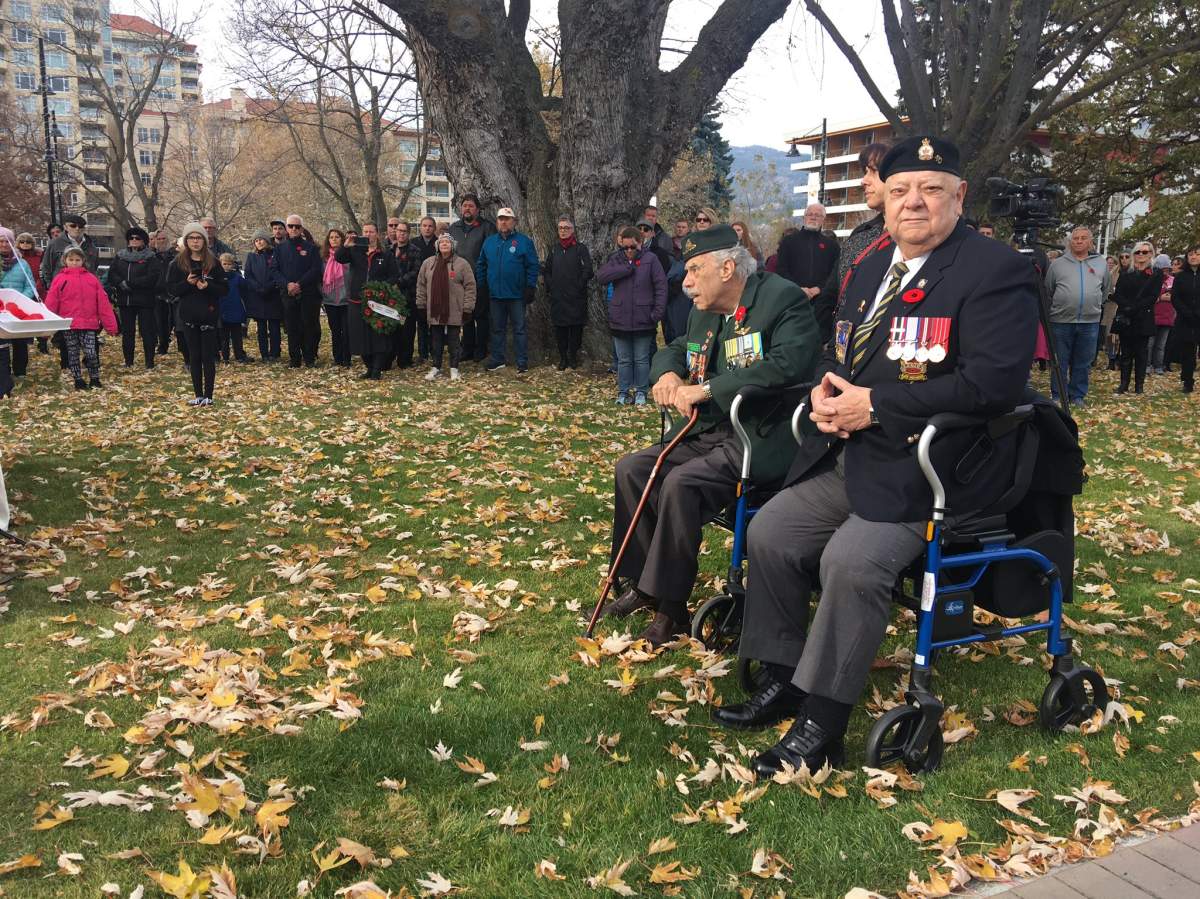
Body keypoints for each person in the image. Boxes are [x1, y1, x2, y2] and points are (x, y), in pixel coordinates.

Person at [713, 136, 1038, 775]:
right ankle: (785, 678)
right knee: (772, 530)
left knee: (851, 562)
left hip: (936, 466)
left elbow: (994, 384)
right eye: (899, 191)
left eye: (930, 189)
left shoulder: (995, 268)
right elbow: (844, 353)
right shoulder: (868, 265)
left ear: (958, 197)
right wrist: (829, 390)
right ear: (884, 202)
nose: (914, 202)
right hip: (855, 451)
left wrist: (878, 406)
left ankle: (821, 726)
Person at [604, 224, 820, 645]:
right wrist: (666, 372)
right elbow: (677, 345)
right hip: (708, 430)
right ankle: (640, 584)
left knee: (682, 484)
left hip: (761, 436)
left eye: (693, 270)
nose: (685, 283)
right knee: (631, 468)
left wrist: (706, 389)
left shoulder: (782, 299)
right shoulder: (706, 309)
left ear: (726, 268)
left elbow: (789, 364)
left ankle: (671, 609)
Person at [598, 226, 667, 404]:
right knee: (624, 360)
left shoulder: (651, 259)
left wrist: (657, 313)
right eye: (625, 247)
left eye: (632, 247)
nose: (629, 251)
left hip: (644, 318)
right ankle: (623, 392)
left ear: (640, 243)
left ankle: (641, 392)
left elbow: (661, 286)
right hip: (620, 319)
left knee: (642, 359)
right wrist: (625, 270)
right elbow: (601, 276)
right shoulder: (616, 259)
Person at [1043, 226, 1110, 405]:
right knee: (1060, 361)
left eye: (1083, 238)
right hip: (1061, 321)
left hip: (1089, 321)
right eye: (1075, 238)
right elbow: (1049, 290)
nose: (1079, 241)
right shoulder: (1057, 264)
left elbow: (1105, 290)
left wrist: (1093, 304)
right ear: (1070, 242)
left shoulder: (1100, 264)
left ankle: (1077, 395)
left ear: (1090, 242)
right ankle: (1058, 394)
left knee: (1083, 361)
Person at [826, 142, 891, 322]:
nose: (864, 181)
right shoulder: (860, 236)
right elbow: (833, 293)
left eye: (873, 172)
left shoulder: (916, 241)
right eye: (865, 172)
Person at [167, 222, 228, 406]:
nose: (195, 242)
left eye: (198, 238)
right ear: (186, 241)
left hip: (208, 314)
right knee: (194, 356)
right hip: (188, 316)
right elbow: (171, 289)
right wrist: (187, 283)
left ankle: (209, 395)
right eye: (191, 238)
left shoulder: (214, 262)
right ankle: (198, 394)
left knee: (208, 356)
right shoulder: (177, 263)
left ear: (204, 240)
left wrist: (208, 286)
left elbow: (224, 289)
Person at [45, 246, 119, 390]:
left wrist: (111, 325)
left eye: (77, 260)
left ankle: (95, 377)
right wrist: (47, 326)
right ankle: (78, 379)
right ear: (65, 261)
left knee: (91, 352)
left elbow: (103, 303)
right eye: (71, 259)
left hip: (89, 323)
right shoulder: (59, 279)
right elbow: (52, 302)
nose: (74, 262)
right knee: (72, 353)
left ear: (83, 261)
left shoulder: (91, 279)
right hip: (69, 324)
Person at [477, 207, 539, 373]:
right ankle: (498, 359)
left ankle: (522, 361)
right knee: (497, 329)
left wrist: (530, 286)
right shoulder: (489, 242)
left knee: (519, 329)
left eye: (507, 219)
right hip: (495, 295)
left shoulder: (524, 241)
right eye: (500, 219)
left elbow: (533, 265)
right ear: (497, 222)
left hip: (517, 295)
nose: (503, 222)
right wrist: (482, 286)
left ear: (514, 221)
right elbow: (481, 264)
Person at [336, 222, 398, 380]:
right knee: (359, 336)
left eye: (371, 231)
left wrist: (382, 289)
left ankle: (377, 369)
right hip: (357, 300)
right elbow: (339, 258)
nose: (368, 234)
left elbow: (393, 275)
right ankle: (369, 367)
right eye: (365, 231)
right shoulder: (355, 250)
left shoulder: (386, 254)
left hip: (378, 302)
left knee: (377, 336)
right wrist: (346, 246)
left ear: (377, 234)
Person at [774, 202, 840, 340]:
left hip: (821, 306)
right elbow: (781, 270)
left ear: (823, 219)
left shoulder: (832, 246)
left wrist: (819, 289)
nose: (813, 217)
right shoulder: (789, 242)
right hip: (793, 302)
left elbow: (835, 273)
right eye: (810, 214)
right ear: (804, 217)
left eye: (818, 215)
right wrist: (798, 288)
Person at [416, 232, 476, 381]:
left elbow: (470, 286)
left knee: (454, 340)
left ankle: (454, 368)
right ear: (437, 245)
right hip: (435, 309)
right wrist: (421, 304)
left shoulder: (462, 264)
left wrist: (468, 307)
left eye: (447, 242)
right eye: (441, 242)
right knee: (435, 340)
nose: (444, 244)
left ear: (453, 246)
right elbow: (421, 285)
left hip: (454, 309)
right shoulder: (428, 263)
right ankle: (436, 367)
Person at [105, 226, 162, 369]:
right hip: (125, 300)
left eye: (138, 238)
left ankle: (149, 362)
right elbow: (112, 274)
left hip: (144, 300)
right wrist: (120, 283)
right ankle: (128, 361)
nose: (134, 240)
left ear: (144, 241)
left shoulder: (151, 257)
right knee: (127, 332)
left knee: (147, 332)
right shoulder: (120, 256)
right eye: (131, 238)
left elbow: (153, 277)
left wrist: (132, 284)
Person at [450, 194, 497, 363]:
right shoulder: (453, 228)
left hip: (480, 279)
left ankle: (481, 349)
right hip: (459, 280)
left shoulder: (487, 227)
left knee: (481, 316)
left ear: (477, 209)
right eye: (464, 206)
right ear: (460, 209)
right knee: (466, 316)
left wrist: (484, 276)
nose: (467, 209)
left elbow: (492, 253)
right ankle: (467, 349)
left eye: (470, 206)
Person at [1111, 240, 1162, 395]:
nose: (1141, 255)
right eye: (1138, 252)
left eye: (1144, 252)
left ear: (1151, 254)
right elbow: (1118, 293)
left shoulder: (1156, 273)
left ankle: (1139, 386)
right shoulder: (1127, 272)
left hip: (1143, 317)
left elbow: (1153, 296)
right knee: (1125, 353)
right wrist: (1127, 307)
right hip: (1126, 317)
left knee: (1141, 354)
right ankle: (1123, 384)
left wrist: (1134, 307)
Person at [543, 216, 593, 370]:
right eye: (560, 228)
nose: (563, 231)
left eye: (566, 228)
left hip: (576, 297)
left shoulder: (580, 248)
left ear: (572, 230)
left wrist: (579, 285)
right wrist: (551, 286)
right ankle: (563, 358)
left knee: (575, 329)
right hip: (558, 298)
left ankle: (573, 357)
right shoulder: (554, 249)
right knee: (560, 329)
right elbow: (547, 270)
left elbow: (588, 270)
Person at [273, 215, 322, 368]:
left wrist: (299, 284)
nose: (294, 229)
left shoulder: (311, 248)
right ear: (287, 228)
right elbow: (274, 270)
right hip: (288, 294)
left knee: (309, 325)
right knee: (291, 327)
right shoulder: (279, 249)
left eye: (297, 226)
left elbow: (315, 270)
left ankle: (309, 358)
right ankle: (295, 359)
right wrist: (287, 285)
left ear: (302, 229)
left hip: (308, 293)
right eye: (291, 226)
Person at [0, 227, 41, 397]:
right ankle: (4, 375)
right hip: (0, 307)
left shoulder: (22, 263)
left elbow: (29, 285)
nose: (4, 244)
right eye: (0, 241)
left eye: (6, 241)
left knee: (19, 341)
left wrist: (19, 300)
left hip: (18, 307)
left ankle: (19, 371)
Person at [386, 219, 422, 369]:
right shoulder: (388, 249)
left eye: (404, 231)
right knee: (392, 328)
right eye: (399, 230)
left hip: (407, 296)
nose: (401, 233)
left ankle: (405, 359)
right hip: (390, 297)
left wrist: (399, 282)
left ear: (409, 233)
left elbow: (415, 272)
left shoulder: (415, 250)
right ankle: (390, 356)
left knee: (407, 330)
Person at [243, 230, 283, 362]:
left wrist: (270, 286)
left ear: (266, 240)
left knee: (274, 327)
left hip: (273, 294)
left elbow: (278, 272)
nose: (258, 242)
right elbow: (248, 275)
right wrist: (258, 288)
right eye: (256, 240)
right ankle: (264, 354)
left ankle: (275, 353)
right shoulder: (251, 257)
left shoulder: (275, 254)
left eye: (261, 239)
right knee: (261, 328)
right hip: (257, 296)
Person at [320, 229, 352, 367]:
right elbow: (319, 279)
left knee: (346, 331)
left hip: (346, 299)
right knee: (335, 331)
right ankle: (337, 358)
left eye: (337, 237)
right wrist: (322, 295)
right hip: (330, 300)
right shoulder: (324, 258)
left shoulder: (349, 256)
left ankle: (347, 358)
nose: (334, 239)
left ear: (342, 239)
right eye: (331, 237)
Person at [1171, 245, 1200, 393]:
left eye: (1197, 254)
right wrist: (1187, 312)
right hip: (1186, 320)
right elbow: (1175, 298)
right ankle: (1187, 381)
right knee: (1188, 353)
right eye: (1190, 255)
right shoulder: (1181, 276)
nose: (1193, 257)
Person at [41, 213, 99, 286]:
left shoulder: (91, 246)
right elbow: (46, 267)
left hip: (86, 288)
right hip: (61, 288)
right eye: (73, 226)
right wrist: (50, 286)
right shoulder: (54, 244)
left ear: (84, 228)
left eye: (80, 226)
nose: (77, 228)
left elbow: (94, 268)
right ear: (65, 227)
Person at [217, 253, 249, 364]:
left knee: (237, 336)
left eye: (229, 264)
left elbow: (245, 287)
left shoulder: (237, 277)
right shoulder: (217, 278)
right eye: (224, 264)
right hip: (222, 310)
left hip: (235, 309)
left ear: (232, 265)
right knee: (224, 338)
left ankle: (239, 355)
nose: (226, 266)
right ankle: (225, 357)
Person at [150, 231, 177, 356]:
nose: (161, 241)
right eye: (159, 239)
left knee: (176, 322)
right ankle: (163, 346)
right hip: (158, 294)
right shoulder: (151, 257)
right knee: (160, 323)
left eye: (163, 238)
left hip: (174, 293)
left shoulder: (176, 255)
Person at [1150, 254, 1175, 375]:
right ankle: (1147, 365)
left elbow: (1178, 297)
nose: (1165, 271)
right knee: (1150, 344)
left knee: (1161, 345)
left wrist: (1172, 297)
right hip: (1153, 316)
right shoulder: (1152, 280)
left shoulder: (1173, 280)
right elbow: (1148, 298)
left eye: (1167, 269)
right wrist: (1160, 298)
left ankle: (1158, 366)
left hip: (1167, 317)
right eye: (1162, 269)